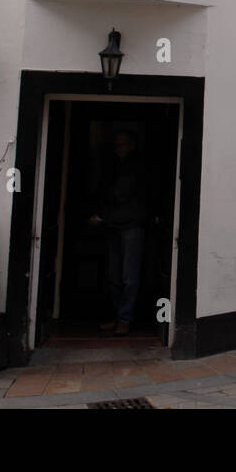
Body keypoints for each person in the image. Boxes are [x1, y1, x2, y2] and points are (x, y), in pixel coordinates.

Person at [91, 131, 147, 335]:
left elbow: (120, 193)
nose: (119, 149)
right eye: (117, 145)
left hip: (131, 224)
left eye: (122, 144)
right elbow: (105, 192)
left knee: (129, 276)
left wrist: (103, 212)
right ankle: (119, 316)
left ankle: (125, 318)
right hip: (113, 225)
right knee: (114, 276)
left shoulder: (137, 167)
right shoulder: (112, 167)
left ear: (131, 145)